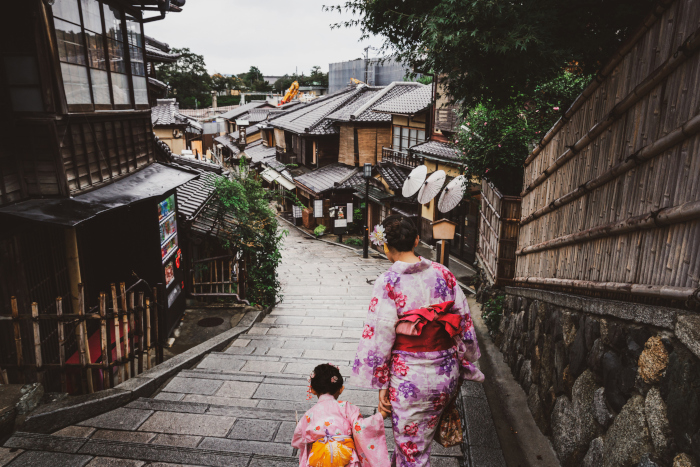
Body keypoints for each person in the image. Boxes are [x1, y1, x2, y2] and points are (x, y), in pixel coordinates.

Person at [353, 215, 484, 466]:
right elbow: (464, 320)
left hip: (409, 379)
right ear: (416, 240)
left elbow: (379, 336)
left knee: (413, 452)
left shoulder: (388, 282)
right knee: (414, 444)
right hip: (445, 375)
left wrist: (382, 382)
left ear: (384, 246)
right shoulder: (444, 273)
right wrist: (466, 357)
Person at [292, 364, 391, 467]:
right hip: (345, 457)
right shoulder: (346, 407)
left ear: (312, 390)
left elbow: (297, 440)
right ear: (341, 389)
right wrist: (382, 415)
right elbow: (360, 427)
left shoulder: (309, 414)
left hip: (319, 459)